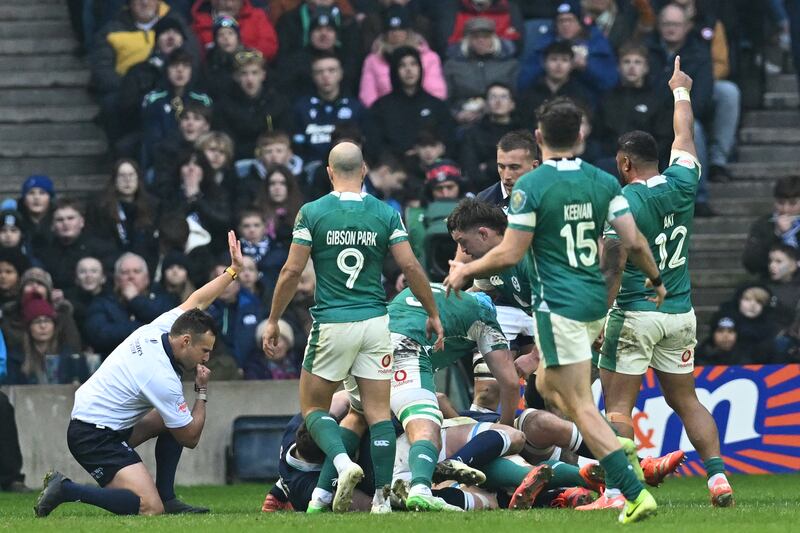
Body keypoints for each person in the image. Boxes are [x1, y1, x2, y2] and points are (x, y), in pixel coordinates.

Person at [444, 95, 665, 524]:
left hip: (559, 307)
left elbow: (509, 252)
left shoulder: (533, 187)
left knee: (574, 402)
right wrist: (656, 280)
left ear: (540, 138)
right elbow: (633, 241)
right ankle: (614, 458)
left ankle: (630, 485)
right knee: (548, 383)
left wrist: (464, 272)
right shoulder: (603, 182)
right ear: (580, 136)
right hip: (593, 305)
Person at [261, 142, 443, 513]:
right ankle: (381, 501)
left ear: (329, 171)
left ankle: (343, 465)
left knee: (313, 408)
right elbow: (410, 268)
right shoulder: (384, 213)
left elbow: (292, 271)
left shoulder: (312, 212)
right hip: (376, 322)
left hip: (331, 323)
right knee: (377, 413)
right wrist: (433, 311)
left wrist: (275, 319)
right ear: (364, 171)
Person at [597, 57, 734, 508]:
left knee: (618, 408)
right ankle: (717, 479)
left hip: (636, 311)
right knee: (687, 400)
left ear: (624, 163)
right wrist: (680, 90)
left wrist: (600, 315)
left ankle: (618, 492)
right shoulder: (683, 180)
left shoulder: (623, 202)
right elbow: (685, 134)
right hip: (680, 312)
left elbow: (611, 266)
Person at [34, 231, 243, 518]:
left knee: (171, 419)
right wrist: (202, 392)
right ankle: (67, 489)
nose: (207, 357)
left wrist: (232, 271)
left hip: (102, 420)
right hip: (92, 435)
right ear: (185, 342)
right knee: (148, 507)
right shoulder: (161, 377)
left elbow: (197, 299)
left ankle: (168, 497)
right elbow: (190, 437)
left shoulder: (163, 327)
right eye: (204, 350)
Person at [385, 283, 524, 510]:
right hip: (408, 352)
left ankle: (326, 484)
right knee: (426, 428)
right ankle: (424, 484)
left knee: (356, 413)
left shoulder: (425, 291)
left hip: (371, 343)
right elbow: (509, 383)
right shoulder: (482, 313)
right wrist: (503, 436)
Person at [645, 3, 714, 217]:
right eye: (666, 23)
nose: (671, 28)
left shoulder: (699, 53)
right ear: (658, 25)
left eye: (676, 24)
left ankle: (698, 197)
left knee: (696, 131)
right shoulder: (647, 49)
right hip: (652, 115)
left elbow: (702, 99)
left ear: (687, 26)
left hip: (685, 114)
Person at [363, 46, 456, 162]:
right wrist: (402, 155)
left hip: (433, 167)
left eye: (413, 64)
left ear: (420, 68)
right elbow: (375, 145)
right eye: (402, 65)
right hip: (396, 169)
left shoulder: (437, 105)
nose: (409, 70)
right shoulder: (380, 107)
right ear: (394, 70)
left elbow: (448, 140)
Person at [592, 43, 673, 172]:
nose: (632, 66)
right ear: (618, 67)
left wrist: (645, 157)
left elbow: (664, 138)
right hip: (611, 161)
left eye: (637, 62)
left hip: (646, 163)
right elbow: (597, 134)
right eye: (626, 62)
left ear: (646, 68)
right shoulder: (606, 99)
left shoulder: (657, 100)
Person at [84, 253, 175, 358]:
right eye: (125, 273)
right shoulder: (102, 302)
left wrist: (135, 300)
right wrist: (141, 328)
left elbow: (167, 324)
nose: (131, 276)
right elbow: (99, 335)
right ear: (116, 279)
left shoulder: (162, 298)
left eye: (136, 271)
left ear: (147, 278)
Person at [359, 4, 446, 108]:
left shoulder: (429, 57)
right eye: (392, 30)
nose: (396, 33)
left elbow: (437, 91)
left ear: (408, 31)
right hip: (386, 113)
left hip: (422, 111)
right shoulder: (373, 60)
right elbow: (368, 96)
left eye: (400, 29)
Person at [215, 50, 293, 160]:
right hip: (238, 159)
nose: (249, 79)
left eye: (254, 73)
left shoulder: (278, 103)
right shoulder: (225, 105)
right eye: (244, 73)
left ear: (263, 75)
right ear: (236, 77)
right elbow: (226, 140)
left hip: (273, 158)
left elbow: (286, 136)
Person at [292, 53, 365, 166]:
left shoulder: (356, 108)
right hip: (310, 168)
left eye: (331, 70)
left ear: (341, 73)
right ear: (313, 76)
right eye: (319, 72)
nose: (325, 76)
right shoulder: (301, 108)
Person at [443, 17, 519, 126]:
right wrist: (457, 114)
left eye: (486, 37)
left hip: (500, 119)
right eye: (475, 37)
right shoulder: (452, 65)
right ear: (467, 39)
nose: (481, 40)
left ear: (494, 38)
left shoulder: (509, 64)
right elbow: (447, 99)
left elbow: (515, 97)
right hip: (463, 120)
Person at [84, 159, 159, 267]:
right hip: (111, 264)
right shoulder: (100, 207)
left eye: (131, 175)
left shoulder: (152, 206)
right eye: (122, 175)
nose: (127, 180)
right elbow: (96, 241)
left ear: (138, 178)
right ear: (114, 180)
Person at [36, 199, 117, 293]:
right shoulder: (46, 253)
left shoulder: (102, 249)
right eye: (60, 220)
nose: (65, 224)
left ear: (82, 222)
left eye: (70, 218)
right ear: (53, 225)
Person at [4, 293, 86, 385]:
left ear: (54, 326)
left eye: (47, 321)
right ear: (28, 328)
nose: (43, 326)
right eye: (37, 322)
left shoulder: (68, 354)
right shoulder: (16, 357)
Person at [517, 40, 596, 128]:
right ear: (544, 63)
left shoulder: (581, 94)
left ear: (572, 65)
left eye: (565, 60)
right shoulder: (530, 93)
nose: (559, 65)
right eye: (553, 59)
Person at [459, 83, 522, 191]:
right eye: (493, 97)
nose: (498, 101)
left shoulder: (522, 134)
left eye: (503, 97)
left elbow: (525, 167)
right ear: (486, 104)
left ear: (512, 104)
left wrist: (489, 167)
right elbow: (471, 169)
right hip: (483, 192)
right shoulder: (473, 133)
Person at [742, 175, 800, 277]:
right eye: (780, 203)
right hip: (771, 283)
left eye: (793, 203)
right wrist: (776, 234)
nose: (785, 209)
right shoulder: (763, 224)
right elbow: (750, 263)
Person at [191, 0, 279, 62]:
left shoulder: (257, 16)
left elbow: (270, 46)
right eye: (225, 0)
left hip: (250, 73)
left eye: (233, 0)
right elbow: (195, 57)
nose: (229, 4)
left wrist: (243, 56)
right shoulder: (199, 23)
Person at [476, 130, 540, 211]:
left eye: (514, 167)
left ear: (534, 166)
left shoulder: (550, 197)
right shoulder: (483, 202)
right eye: (501, 166)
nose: (506, 176)